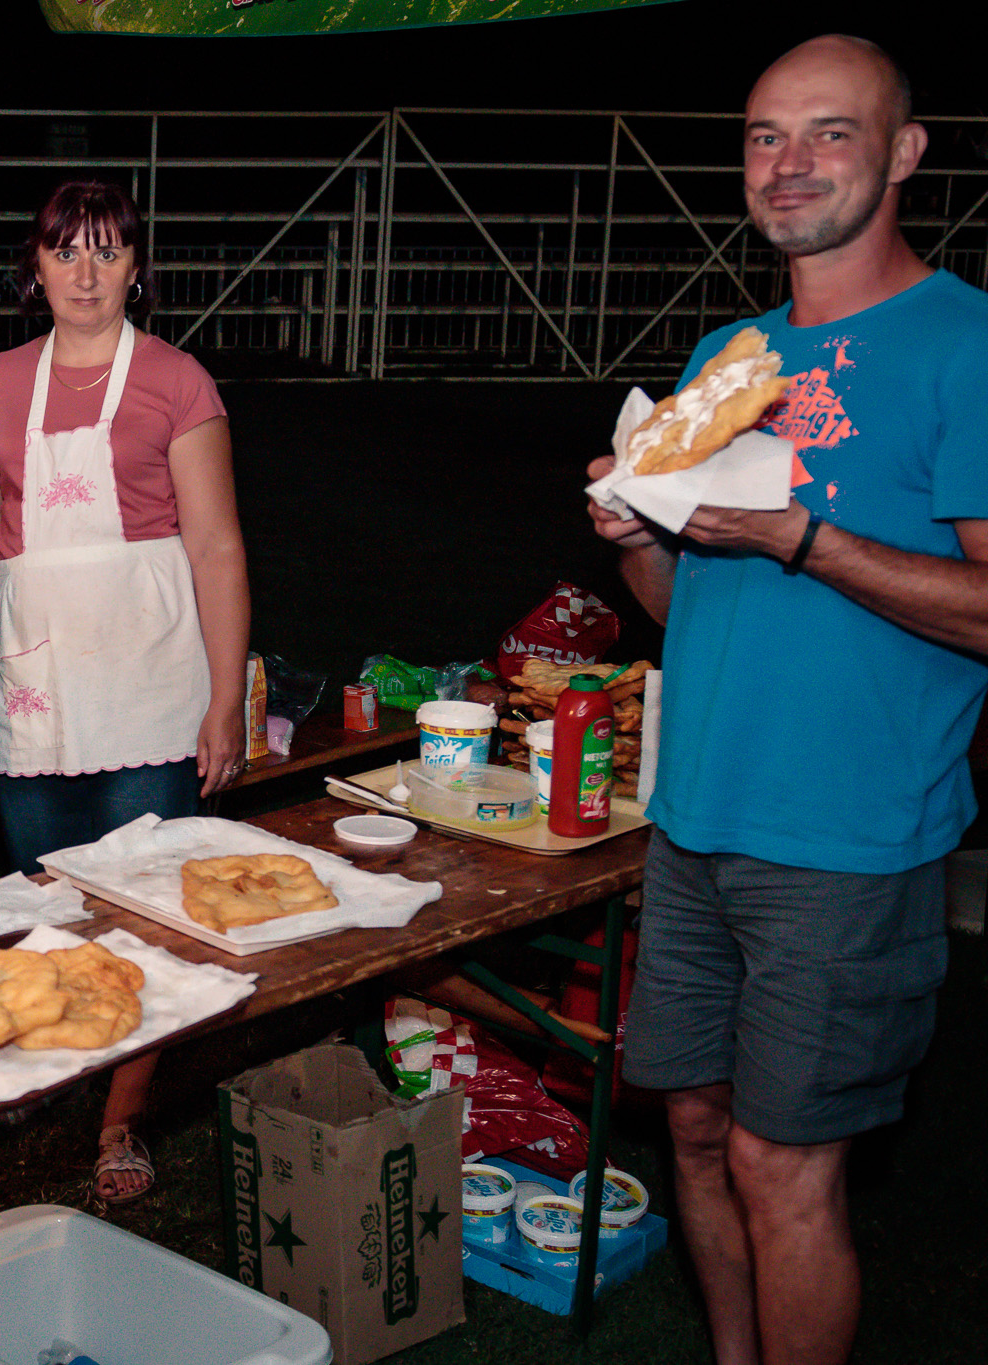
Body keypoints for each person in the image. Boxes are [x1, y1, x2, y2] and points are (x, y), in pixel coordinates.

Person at [587, 36, 988, 1365]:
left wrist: (799, 535)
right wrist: (639, 533)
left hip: (848, 839)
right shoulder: (731, 347)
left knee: (783, 1163)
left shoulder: (964, 344)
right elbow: (684, 609)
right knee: (695, 1127)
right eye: (766, 135)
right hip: (695, 816)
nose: (793, 163)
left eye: (831, 133)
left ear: (905, 153)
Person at [0, 180, 250, 1205]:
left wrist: (222, 700)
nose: (84, 275)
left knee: (142, 907)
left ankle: (120, 1118)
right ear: (33, 268)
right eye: (64, 253)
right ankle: (54, 1058)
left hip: (143, 680)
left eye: (105, 252)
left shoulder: (177, 381)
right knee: (44, 893)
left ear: (136, 267)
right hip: (33, 682)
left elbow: (214, 542)